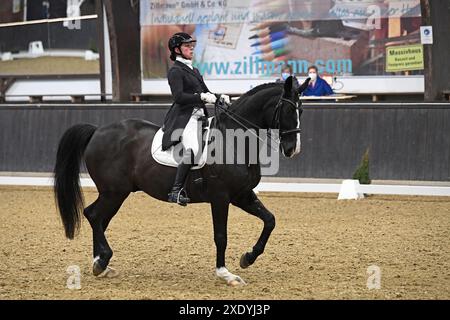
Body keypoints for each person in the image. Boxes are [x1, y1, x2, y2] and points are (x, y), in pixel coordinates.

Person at [162, 32, 230, 206]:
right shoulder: (175, 71)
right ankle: (176, 191)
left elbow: (206, 92)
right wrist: (201, 97)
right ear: (177, 50)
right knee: (192, 149)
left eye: (192, 45)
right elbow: (179, 97)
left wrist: (219, 96)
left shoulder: (194, 70)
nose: (191, 48)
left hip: (201, 116)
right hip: (185, 118)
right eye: (187, 46)